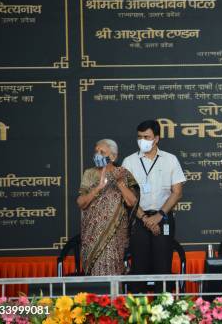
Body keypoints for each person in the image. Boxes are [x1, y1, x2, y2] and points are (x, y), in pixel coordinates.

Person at [122, 120, 186, 292]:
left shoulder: (170, 160)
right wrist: (144, 218)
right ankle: (137, 312)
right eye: (140, 137)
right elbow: (127, 196)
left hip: (163, 218)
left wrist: (158, 216)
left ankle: (163, 310)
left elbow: (177, 192)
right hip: (138, 219)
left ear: (156, 138)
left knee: (163, 265)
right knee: (139, 266)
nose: (142, 140)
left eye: (147, 137)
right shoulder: (129, 162)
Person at [77, 139, 138, 275]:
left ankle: (114, 297)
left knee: (112, 271)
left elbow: (132, 202)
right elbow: (81, 203)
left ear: (113, 156)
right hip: (91, 235)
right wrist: (98, 187)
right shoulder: (89, 173)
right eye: (96, 151)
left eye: (102, 152)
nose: (97, 154)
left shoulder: (123, 173)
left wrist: (120, 183)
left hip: (114, 233)